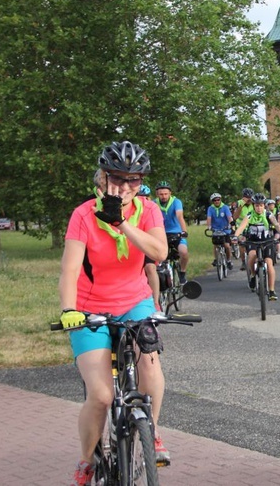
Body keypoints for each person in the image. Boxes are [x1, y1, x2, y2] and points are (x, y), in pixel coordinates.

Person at [59, 141, 170, 485]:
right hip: (90, 306)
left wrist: (121, 223)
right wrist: (69, 310)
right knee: (102, 395)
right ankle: (85, 460)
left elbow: (160, 252)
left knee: (149, 367)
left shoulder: (148, 210)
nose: (124, 187)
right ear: (102, 179)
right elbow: (70, 271)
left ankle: (150, 431)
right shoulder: (82, 215)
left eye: (133, 180)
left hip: (135, 301)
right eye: (117, 179)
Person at [233, 193, 280, 300]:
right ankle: (252, 275)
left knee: (269, 263)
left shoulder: (268, 214)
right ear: (253, 206)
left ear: (264, 205)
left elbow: (276, 224)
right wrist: (235, 236)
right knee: (252, 256)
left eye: (261, 205)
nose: (259, 208)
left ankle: (271, 291)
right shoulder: (249, 215)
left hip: (267, 241)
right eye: (256, 205)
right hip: (253, 241)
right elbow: (242, 227)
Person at [155, 181, 190, 284]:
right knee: (157, 257)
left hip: (177, 232)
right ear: (157, 194)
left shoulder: (176, 202)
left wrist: (184, 231)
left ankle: (182, 272)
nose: (164, 196)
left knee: (183, 252)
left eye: (166, 194)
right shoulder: (153, 203)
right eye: (161, 194)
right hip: (161, 233)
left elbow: (179, 216)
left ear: (170, 193)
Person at [206, 193, 234, 270]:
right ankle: (216, 259)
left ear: (220, 200)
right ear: (212, 201)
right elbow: (209, 218)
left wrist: (231, 224)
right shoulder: (210, 208)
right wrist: (209, 226)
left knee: (227, 246)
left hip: (225, 230)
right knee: (215, 245)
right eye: (214, 200)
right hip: (215, 230)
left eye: (218, 199)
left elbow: (229, 217)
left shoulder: (225, 207)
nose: (216, 201)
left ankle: (228, 260)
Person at [233, 187, 255, 270]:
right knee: (242, 244)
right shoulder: (239, 203)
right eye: (247, 197)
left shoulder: (254, 203)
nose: (249, 199)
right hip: (241, 228)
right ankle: (243, 261)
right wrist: (241, 205)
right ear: (243, 197)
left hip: (252, 227)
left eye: (250, 197)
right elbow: (235, 217)